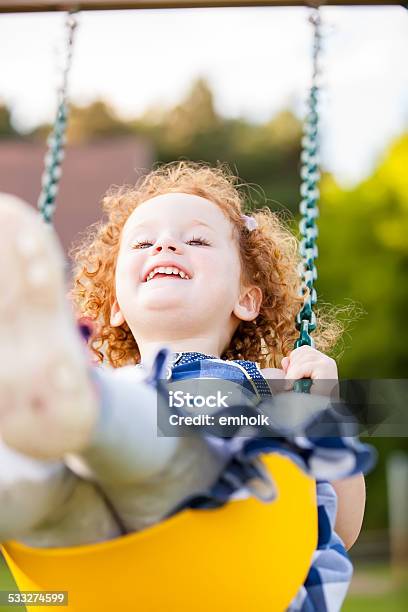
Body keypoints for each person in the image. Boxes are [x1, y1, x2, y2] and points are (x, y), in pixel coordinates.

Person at [0, 162, 370, 610]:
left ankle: (85, 411)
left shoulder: (275, 389)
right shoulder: (102, 393)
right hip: (100, 572)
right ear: (115, 305)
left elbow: (342, 527)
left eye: (195, 240)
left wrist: (325, 406)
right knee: (54, 501)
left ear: (246, 299)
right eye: (143, 242)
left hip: (235, 560)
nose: (165, 244)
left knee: (147, 431)